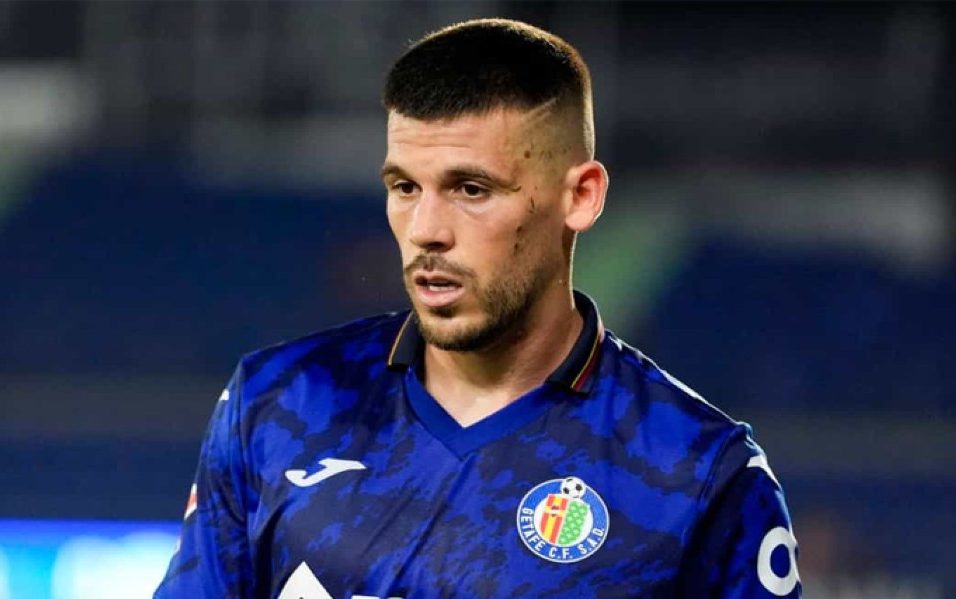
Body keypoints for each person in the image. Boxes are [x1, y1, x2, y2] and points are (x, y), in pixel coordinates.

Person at [155, 18, 800, 598]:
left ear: (580, 196)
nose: (426, 230)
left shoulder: (700, 473)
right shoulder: (276, 403)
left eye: (471, 189)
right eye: (405, 187)